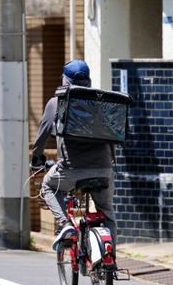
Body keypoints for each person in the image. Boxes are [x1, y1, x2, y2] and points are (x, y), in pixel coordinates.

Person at [30, 60, 117, 250]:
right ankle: (111, 262)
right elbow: (112, 136)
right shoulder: (101, 103)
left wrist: (36, 158)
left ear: (65, 80)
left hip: (71, 170)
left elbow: (43, 133)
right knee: (107, 211)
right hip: (104, 169)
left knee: (48, 185)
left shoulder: (57, 102)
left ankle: (65, 224)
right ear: (89, 80)